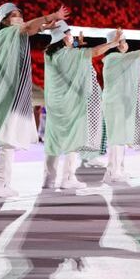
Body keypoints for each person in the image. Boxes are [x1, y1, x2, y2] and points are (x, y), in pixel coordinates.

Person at [0, 3, 68, 199]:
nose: (19, 17)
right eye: (14, 15)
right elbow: (27, 28)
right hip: (6, 95)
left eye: (20, 14)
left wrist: (43, 27)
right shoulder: (10, 33)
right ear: (5, 20)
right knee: (7, 140)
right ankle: (2, 185)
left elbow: (28, 29)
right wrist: (52, 15)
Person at [43, 21, 121, 190]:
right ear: (64, 37)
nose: (71, 36)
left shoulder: (49, 54)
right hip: (70, 103)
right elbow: (95, 52)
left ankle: (48, 180)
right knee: (72, 140)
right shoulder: (69, 54)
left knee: (53, 141)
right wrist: (113, 43)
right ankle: (67, 178)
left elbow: (71, 52)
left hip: (54, 104)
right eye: (69, 34)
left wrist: (77, 44)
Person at [101, 30, 140, 183]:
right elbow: (136, 55)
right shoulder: (112, 58)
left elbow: (134, 57)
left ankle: (119, 169)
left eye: (124, 41)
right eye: (122, 41)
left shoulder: (120, 59)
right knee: (116, 138)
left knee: (120, 138)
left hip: (120, 103)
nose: (125, 44)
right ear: (114, 44)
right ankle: (112, 171)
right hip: (115, 103)